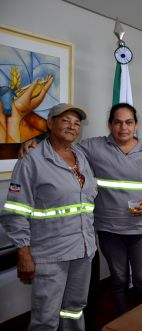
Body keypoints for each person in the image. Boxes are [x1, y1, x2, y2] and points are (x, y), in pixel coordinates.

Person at [20, 103, 142, 315]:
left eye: (128, 122)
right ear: (110, 125)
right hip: (110, 229)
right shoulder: (91, 147)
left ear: (136, 125)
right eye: (117, 122)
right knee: (119, 280)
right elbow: (61, 142)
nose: (123, 127)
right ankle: (122, 321)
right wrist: (34, 141)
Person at [1, 103, 97, 330]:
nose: (72, 127)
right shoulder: (32, 161)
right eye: (65, 121)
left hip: (83, 248)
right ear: (50, 124)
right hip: (51, 253)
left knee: (73, 309)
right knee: (46, 316)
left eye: (76, 123)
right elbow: (16, 211)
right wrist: (23, 251)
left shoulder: (81, 156)